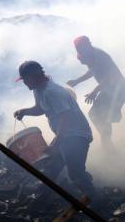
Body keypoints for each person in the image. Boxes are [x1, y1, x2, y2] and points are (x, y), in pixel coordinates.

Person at [13, 60, 96, 200]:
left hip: (76, 135)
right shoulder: (38, 90)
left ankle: (95, 201)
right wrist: (24, 111)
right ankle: (43, 198)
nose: (25, 83)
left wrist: (56, 143)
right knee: (53, 167)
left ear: (35, 76)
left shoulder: (53, 92)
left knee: (75, 173)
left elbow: (66, 118)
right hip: (64, 135)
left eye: (25, 80)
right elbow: (40, 108)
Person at [67, 36, 125, 151]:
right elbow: (92, 71)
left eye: (81, 49)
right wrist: (76, 81)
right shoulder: (89, 55)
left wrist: (94, 91)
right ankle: (107, 138)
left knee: (99, 115)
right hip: (108, 89)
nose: (83, 61)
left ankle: (107, 140)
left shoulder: (99, 56)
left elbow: (109, 77)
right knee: (95, 115)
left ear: (87, 45)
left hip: (118, 88)